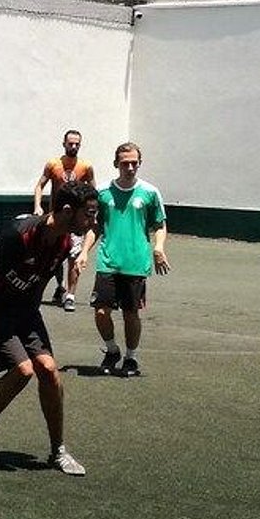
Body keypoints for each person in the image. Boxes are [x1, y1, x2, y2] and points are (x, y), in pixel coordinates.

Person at [0, 179, 100, 475]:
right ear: (67, 210)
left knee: (48, 370)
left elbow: (38, 284)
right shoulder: (18, 235)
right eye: (88, 214)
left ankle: (58, 451)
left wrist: (30, 321)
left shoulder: (63, 242)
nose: (93, 221)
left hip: (23, 308)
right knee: (23, 370)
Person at [82, 142, 169, 377]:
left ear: (139, 163)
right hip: (108, 261)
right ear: (116, 164)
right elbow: (95, 227)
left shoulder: (150, 192)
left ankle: (131, 357)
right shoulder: (103, 192)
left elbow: (160, 225)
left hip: (136, 263)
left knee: (131, 314)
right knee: (101, 312)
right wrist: (84, 252)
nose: (130, 168)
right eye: (125, 163)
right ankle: (112, 350)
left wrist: (158, 248)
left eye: (134, 163)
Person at [33, 129, 96, 311]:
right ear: (64, 144)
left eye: (77, 144)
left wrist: (92, 215)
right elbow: (39, 185)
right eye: (71, 143)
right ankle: (59, 286)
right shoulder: (53, 164)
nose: (74, 147)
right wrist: (38, 206)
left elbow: (94, 192)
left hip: (75, 222)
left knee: (73, 256)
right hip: (57, 219)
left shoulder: (86, 167)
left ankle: (70, 295)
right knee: (52, 256)